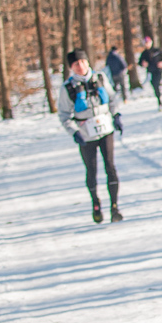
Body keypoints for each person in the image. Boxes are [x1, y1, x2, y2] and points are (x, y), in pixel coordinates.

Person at [58, 50, 124, 223]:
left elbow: (112, 99)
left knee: (110, 166)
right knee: (92, 170)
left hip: (105, 130)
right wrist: (74, 132)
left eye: (83, 62)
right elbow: (64, 115)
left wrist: (116, 116)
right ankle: (96, 203)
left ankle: (114, 206)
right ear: (71, 67)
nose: (81, 66)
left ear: (88, 62)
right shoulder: (68, 88)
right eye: (76, 64)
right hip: (85, 134)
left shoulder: (100, 78)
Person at [137, 35, 162, 109]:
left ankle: (160, 101)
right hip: (151, 72)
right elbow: (140, 62)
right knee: (154, 85)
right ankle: (159, 99)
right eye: (145, 42)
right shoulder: (144, 53)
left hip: (158, 70)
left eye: (148, 42)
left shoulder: (157, 50)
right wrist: (143, 64)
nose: (147, 44)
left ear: (151, 42)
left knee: (156, 84)